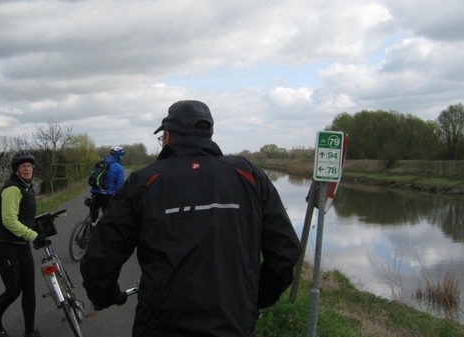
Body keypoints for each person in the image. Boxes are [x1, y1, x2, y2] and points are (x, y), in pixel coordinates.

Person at [80, 100, 303, 336]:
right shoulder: (248, 174)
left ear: (167, 137)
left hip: (160, 326)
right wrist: (254, 298)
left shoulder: (144, 181)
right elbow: (285, 251)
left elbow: (100, 256)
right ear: (209, 135)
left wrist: (106, 295)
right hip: (234, 325)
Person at [0, 150, 50, 337]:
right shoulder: (12, 189)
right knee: (14, 289)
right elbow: (9, 221)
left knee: (29, 289)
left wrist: (39, 229)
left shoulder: (27, 187)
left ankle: (29, 331)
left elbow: (26, 217)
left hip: (21, 245)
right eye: (23, 166)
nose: (27, 169)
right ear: (16, 170)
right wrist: (33, 236)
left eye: (30, 166)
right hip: (4, 246)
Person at [89, 145, 125, 224]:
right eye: (122, 154)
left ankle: (91, 227)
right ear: (119, 155)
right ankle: (102, 233)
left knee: (93, 215)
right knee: (108, 217)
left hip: (95, 191)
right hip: (108, 194)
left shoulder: (101, 162)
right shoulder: (119, 167)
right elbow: (119, 185)